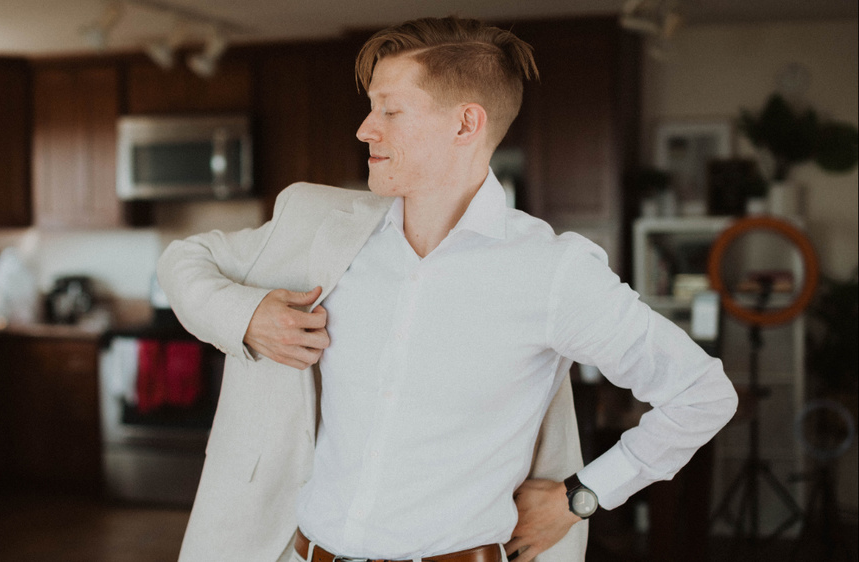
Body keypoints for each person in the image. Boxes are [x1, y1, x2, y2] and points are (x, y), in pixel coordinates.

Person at [157, 16, 738, 562]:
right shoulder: (318, 226)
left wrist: (582, 496)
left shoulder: (551, 273)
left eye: (390, 109)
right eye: (370, 108)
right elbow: (186, 258)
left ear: (465, 123)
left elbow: (702, 394)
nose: (365, 128)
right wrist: (246, 315)